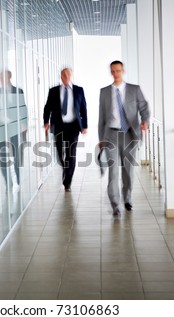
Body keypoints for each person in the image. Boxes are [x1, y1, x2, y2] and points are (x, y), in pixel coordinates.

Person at [98, 60, 150, 215]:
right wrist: (101, 139)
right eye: (113, 71)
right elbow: (102, 117)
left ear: (123, 70)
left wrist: (145, 121)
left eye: (118, 71)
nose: (116, 74)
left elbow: (144, 107)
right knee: (113, 171)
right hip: (111, 135)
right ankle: (115, 204)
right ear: (110, 72)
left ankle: (127, 198)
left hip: (129, 134)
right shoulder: (104, 91)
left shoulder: (134, 89)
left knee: (128, 171)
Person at [43, 67, 88, 192]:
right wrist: (46, 121)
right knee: (59, 153)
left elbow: (83, 108)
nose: (66, 77)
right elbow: (47, 107)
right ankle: (65, 168)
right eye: (64, 75)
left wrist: (85, 125)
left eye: (68, 74)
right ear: (61, 77)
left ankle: (67, 181)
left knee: (71, 153)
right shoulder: (53, 91)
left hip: (73, 126)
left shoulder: (79, 90)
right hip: (58, 126)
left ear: (71, 75)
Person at [0, 70, 28, 194]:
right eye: (0, 77)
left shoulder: (18, 91)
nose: (2, 79)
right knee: (2, 157)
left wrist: (25, 124)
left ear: (10, 77)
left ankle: (17, 179)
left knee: (16, 154)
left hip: (15, 127)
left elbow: (23, 108)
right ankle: (7, 182)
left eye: (4, 77)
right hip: (0, 128)